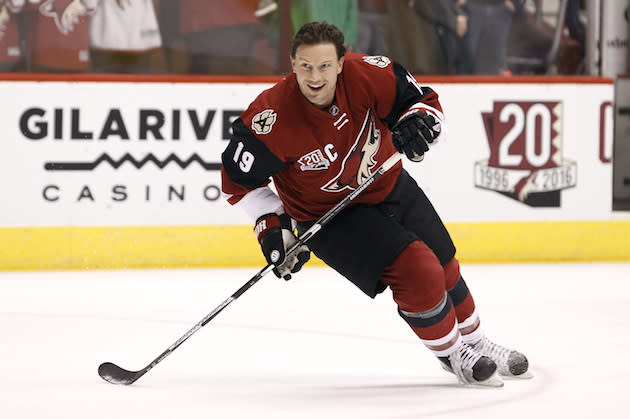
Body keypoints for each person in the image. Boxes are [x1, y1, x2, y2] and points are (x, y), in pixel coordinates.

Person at [220, 21, 530, 386]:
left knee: (445, 263)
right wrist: (273, 229)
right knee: (421, 270)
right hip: (330, 219)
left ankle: (477, 341)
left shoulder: (370, 74)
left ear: (340, 63)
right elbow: (237, 185)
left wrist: (418, 124)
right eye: (305, 66)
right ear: (292, 64)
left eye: (323, 66)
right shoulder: (269, 119)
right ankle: (454, 353)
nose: (315, 77)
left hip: (388, 183)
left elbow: (424, 104)